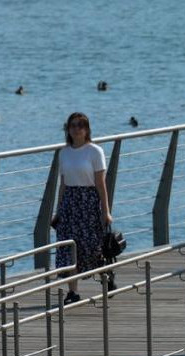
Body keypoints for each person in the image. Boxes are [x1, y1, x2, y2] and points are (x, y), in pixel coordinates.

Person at [52, 112, 112, 304]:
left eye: (80, 125)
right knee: (69, 246)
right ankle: (73, 291)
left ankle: (107, 276)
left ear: (87, 129)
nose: (76, 129)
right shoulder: (64, 153)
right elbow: (62, 183)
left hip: (89, 201)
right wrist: (58, 210)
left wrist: (106, 211)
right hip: (70, 201)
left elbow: (101, 184)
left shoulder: (95, 151)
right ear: (68, 129)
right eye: (72, 125)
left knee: (92, 245)